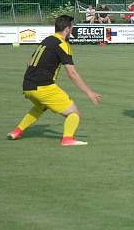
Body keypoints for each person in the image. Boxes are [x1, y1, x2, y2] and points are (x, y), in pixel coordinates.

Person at [7, 15, 102, 146]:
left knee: (40, 107)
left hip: (27, 85)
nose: (72, 30)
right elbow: (72, 73)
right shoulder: (63, 44)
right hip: (44, 86)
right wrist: (89, 92)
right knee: (74, 113)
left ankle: (16, 132)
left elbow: (29, 62)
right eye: (72, 27)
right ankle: (68, 139)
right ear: (68, 29)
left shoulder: (47, 40)